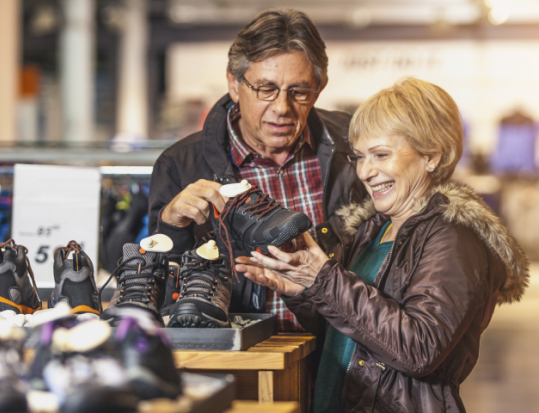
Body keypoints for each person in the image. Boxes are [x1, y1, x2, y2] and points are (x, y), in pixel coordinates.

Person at [235, 78, 529, 412]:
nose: (365, 171)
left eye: (381, 155)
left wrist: (325, 280)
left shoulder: (454, 238)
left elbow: (419, 350)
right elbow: (352, 336)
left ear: (432, 155)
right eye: (360, 156)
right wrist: (303, 291)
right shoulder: (373, 230)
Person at [148, 9, 366, 330]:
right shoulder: (180, 163)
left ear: (319, 88)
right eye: (266, 88)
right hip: (243, 361)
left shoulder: (355, 147)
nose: (281, 107)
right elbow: (160, 297)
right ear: (234, 85)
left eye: (299, 90)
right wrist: (171, 227)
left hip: (338, 359)